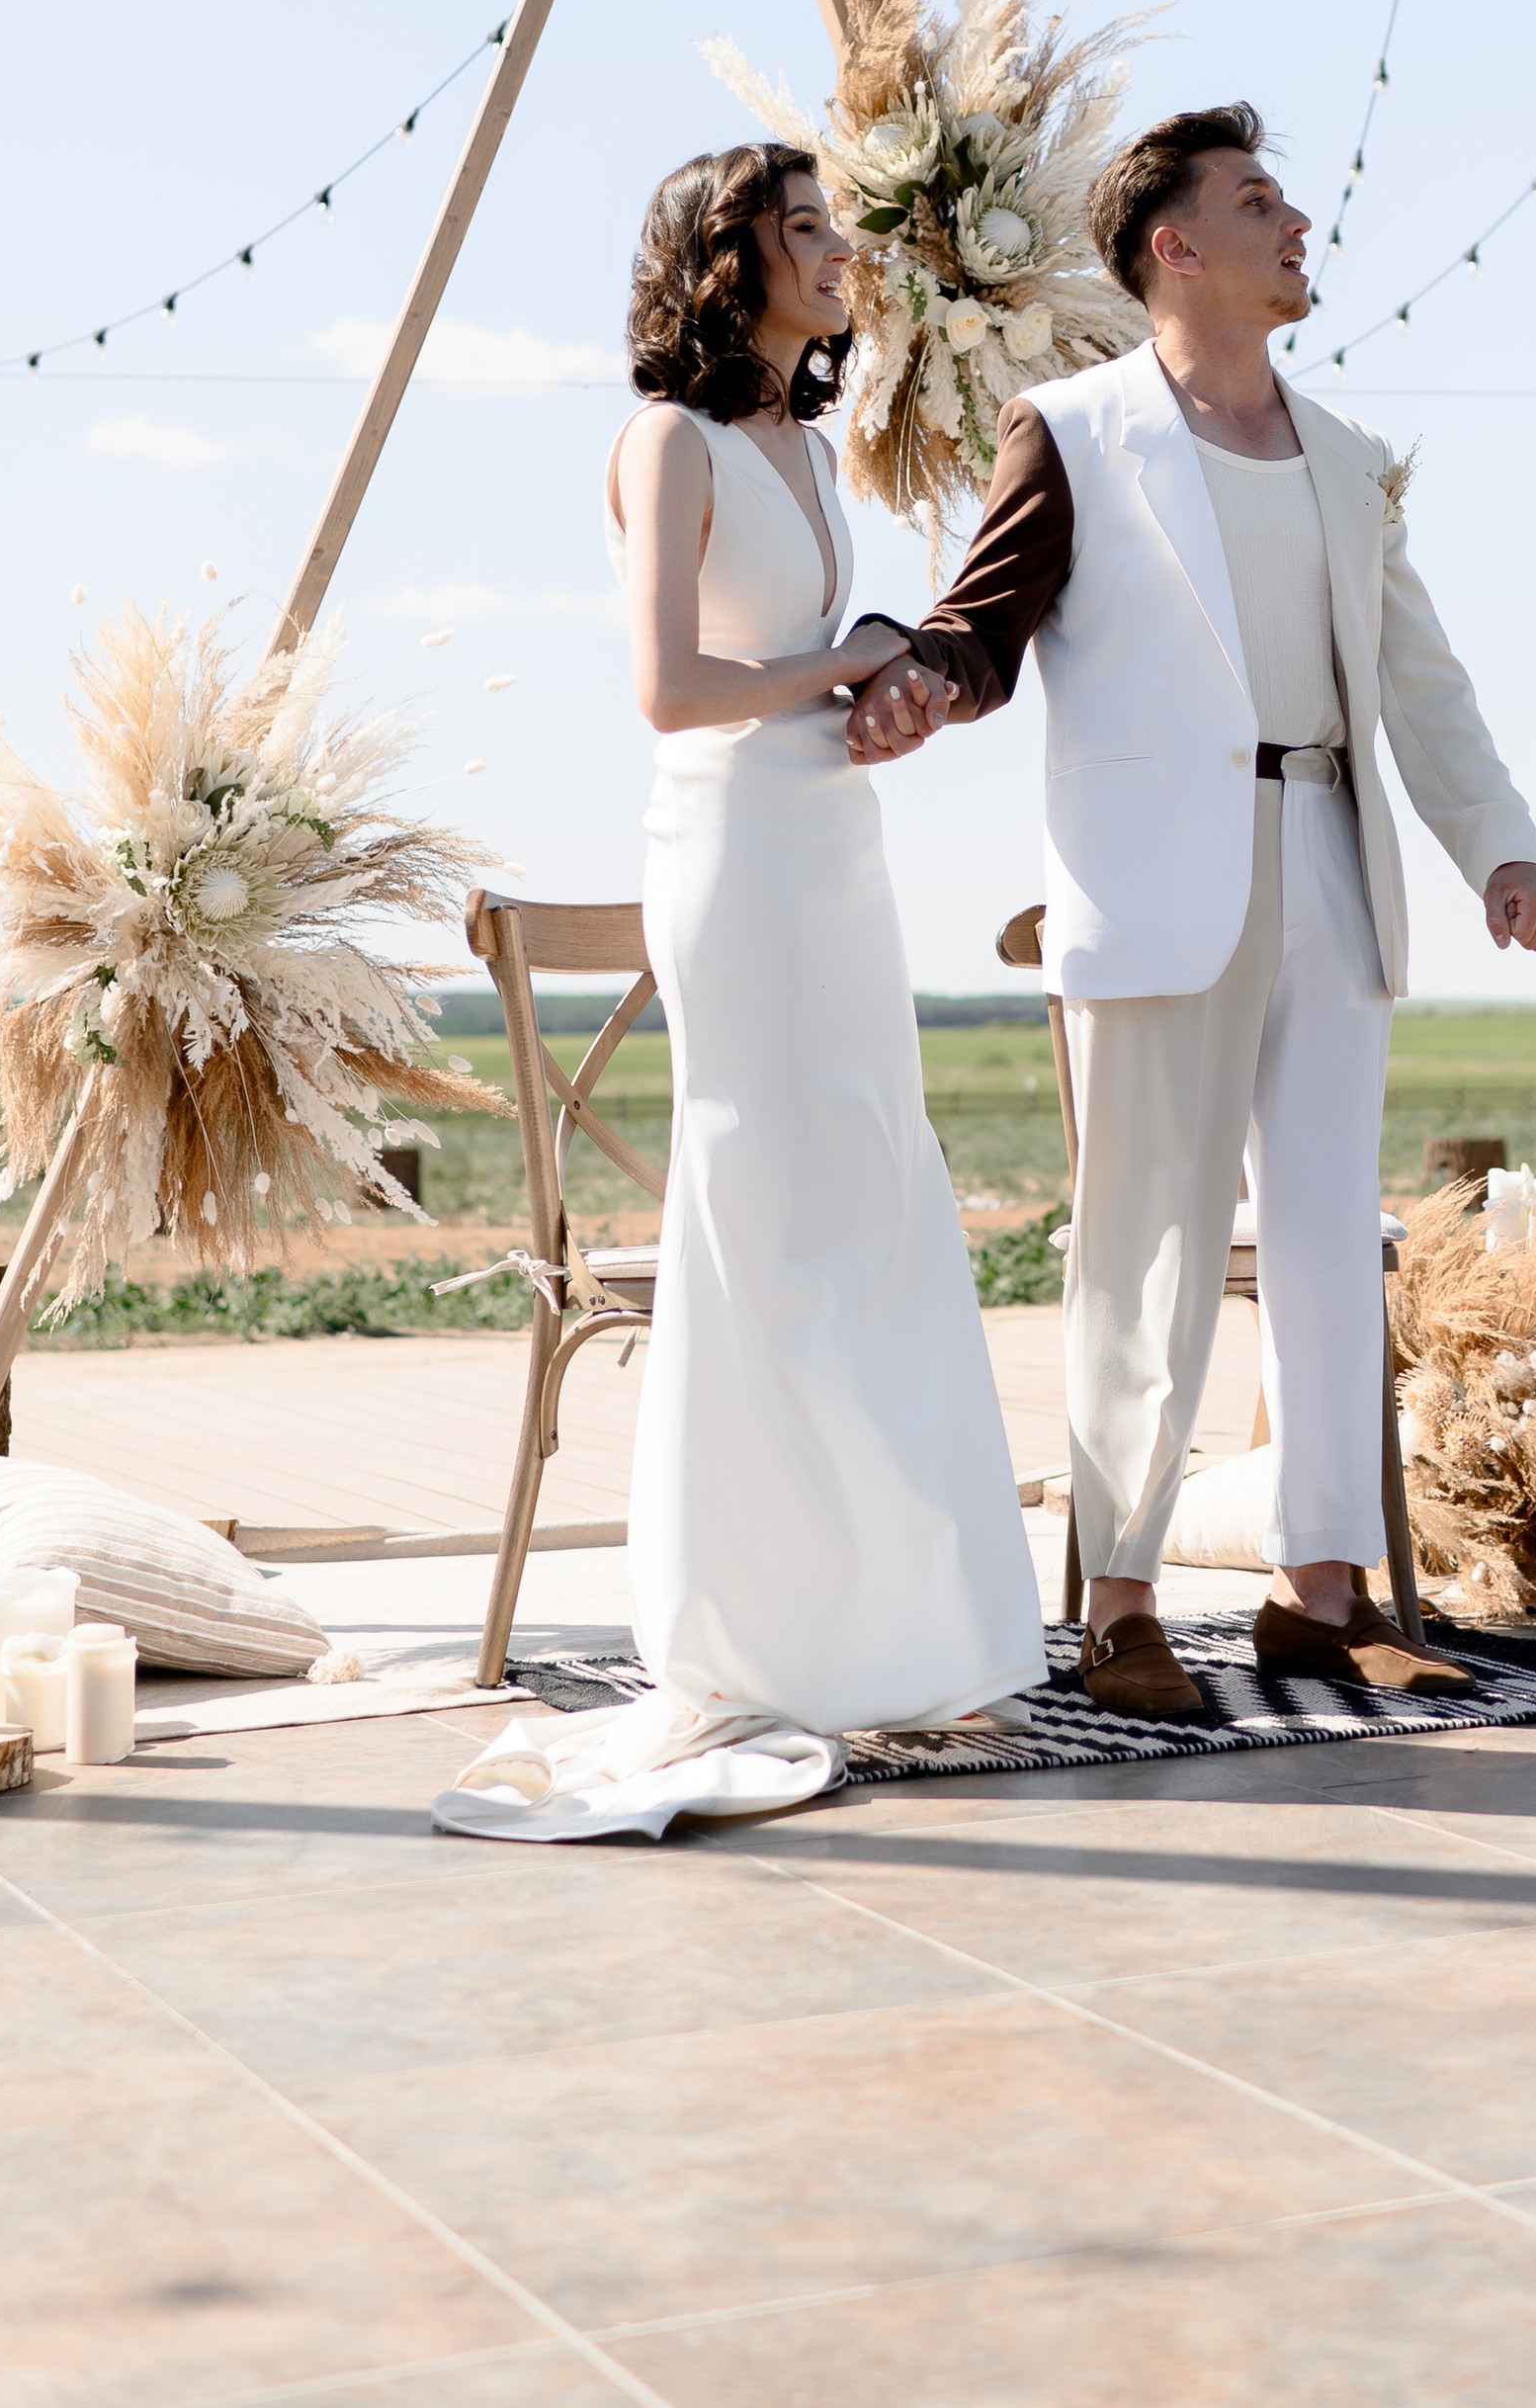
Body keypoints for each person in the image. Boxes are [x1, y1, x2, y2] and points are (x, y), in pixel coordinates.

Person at [845, 104, 1536, 1719]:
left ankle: (1323, 1594)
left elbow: (1422, 684)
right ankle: (1119, 1601)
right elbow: (988, 620)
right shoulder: (1076, 426)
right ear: (1174, 248)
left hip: (1330, 851)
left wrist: (1498, 851)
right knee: (1146, 1248)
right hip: (1159, 881)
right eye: (1259, 203)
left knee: (1324, 1242)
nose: (1295, 223)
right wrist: (918, 686)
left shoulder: (1350, 459)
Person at [441, 142, 1045, 1841]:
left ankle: (901, 1620)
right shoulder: (671, 439)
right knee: (770, 1212)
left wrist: (877, 693)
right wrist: (840, 659)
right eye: (802, 231)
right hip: (733, 851)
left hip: (834, 847)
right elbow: (667, 687)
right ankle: (761, 1628)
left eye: (831, 226)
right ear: (726, 262)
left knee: (869, 1193)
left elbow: (790, 676)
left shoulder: (802, 436)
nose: (836, 252)